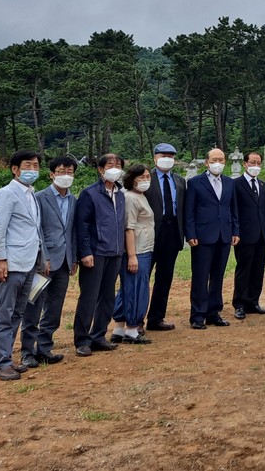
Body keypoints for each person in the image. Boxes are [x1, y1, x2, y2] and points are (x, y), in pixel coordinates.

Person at [0, 150, 44, 381]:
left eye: (36, 165)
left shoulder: (32, 194)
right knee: (5, 314)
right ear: (15, 169)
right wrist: (0, 259)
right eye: (28, 165)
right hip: (11, 264)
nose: (33, 170)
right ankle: (1, 364)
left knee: (17, 313)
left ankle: (2, 359)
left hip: (28, 263)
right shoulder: (6, 194)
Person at [21, 155, 78, 368]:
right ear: (52, 174)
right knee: (33, 307)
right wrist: (42, 257)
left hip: (64, 262)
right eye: (61, 171)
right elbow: (37, 230)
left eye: (70, 172)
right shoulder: (39, 197)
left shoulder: (73, 200)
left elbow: (72, 232)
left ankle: (44, 348)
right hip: (43, 263)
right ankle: (27, 352)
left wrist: (73, 258)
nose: (66, 175)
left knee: (54, 308)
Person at [74, 153, 126, 357]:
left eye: (118, 165)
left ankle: (99, 335)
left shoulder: (120, 194)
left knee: (107, 297)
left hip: (115, 252)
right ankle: (82, 340)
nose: (115, 168)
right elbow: (82, 225)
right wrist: (85, 252)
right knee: (89, 297)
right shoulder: (90, 193)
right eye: (110, 165)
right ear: (100, 169)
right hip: (95, 253)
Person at [184, 148, 240, 329]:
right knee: (200, 276)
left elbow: (233, 209)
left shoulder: (230, 183)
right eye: (214, 160)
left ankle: (213, 312)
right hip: (202, 236)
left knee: (218, 275)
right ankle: (197, 315)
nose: (218, 163)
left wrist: (235, 231)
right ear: (207, 162)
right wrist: (191, 234)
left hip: (224, 235)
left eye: (221, 160)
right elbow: (189, 211)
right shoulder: (195, 183)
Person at [111, 165, 156, 345]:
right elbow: (129, 228)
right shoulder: (130, 197)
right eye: (141, 177)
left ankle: (119, 329)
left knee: (127, 288)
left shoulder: (140, 196)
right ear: (132, 179)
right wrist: (132, 256)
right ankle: (131, 329)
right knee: (136, 288)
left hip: (144, 248)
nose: (145, 180)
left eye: (147, 176)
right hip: (138, 250)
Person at [144, 143, 187, 332]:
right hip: (150, 234)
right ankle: (135, 320)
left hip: (172, 233)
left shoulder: (180, 181)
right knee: (142, 277)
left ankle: (156, 318)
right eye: (163, 155)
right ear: (155, 158)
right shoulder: (146, 178)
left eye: (171, 156)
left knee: (164, 277)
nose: (167, 159)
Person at [232, 151, 265, 319]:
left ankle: (253, 301)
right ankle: (239, 304)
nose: (256, 166)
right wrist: (235, 232)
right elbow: (234, 210)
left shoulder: (262, 185)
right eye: (252, 163)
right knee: (244, 269)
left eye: (258, 163)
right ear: (245, 164)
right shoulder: (236, 184)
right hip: (244, 234)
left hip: (261, 234)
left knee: (258, 269)